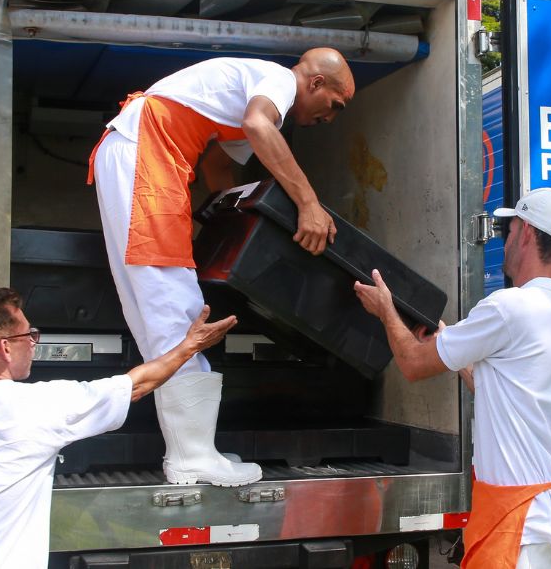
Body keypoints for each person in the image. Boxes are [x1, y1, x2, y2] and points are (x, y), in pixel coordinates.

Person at [0, 232, 236, 568]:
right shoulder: (43, 408)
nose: (35, 341)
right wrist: (191, 346)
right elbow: (137, 385)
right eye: (29, 334)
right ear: (4, 349)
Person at [88, 48, 355, 486]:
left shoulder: (253, 88)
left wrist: (235, 226)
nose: (331, 117)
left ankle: (189, 451)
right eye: (335, 105)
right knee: (177, 308)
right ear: (315, 84)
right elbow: (257, 125)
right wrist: (308, 204)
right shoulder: (279, 82)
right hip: (148, 155)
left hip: (141, 153)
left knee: (156, 313)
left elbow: (217, 166)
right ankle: (193, 457)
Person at [353, 188, 551, 569]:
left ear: (526, 232)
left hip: (521, 524)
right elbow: (499, 390)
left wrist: (385, 311)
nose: (505, 240)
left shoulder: (510, 307)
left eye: (507, 231)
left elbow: (412, 364)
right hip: (547, 516)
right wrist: (449, 341)